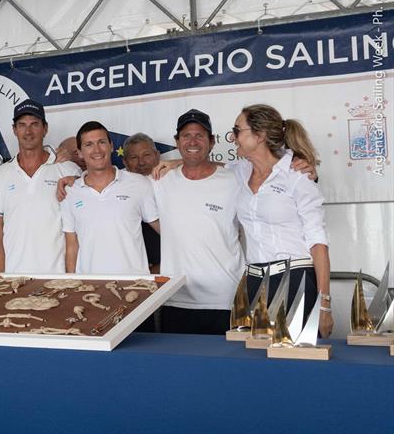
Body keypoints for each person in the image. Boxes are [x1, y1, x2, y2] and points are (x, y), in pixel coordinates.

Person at [230, 104, 333, 337]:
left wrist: (324, 304)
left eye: (237, 131)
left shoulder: (298, 175)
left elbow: (318, 243)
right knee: (258, 365)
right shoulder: (240, 170)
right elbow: (209, 168)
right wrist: (173, 163)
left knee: (297, 364)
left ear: (260, 136)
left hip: (295, 280)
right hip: (255, 282)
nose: (232, 137)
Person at [152, 109, 244, 335]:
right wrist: (75, 179)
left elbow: (268, 169)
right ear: (177, 142)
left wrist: (304, 166)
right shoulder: (159, 181)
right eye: (186, 136)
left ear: (212, 142)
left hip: (226, 299)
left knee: (228, 370)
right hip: (175, 300)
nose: (192, 141)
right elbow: (114, 181)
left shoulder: (235, 180)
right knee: (179, 370)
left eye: (200, 135)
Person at [0, 99, 82, 273]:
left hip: (58, 278)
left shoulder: (68, 170)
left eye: (34, 124)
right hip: (15, 280)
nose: (28, 131)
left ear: (45, 128)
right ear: (14, 130)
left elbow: (80, 229)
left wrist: (71, 277)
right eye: (22, 125)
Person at [61, 122, 159, 275]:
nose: (97, 150)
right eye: (89, 144)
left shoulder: (140, 183)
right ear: (79, 152)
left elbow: (165, 230)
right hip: (89, 287)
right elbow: (72, 246)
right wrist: (71, 283)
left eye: (101, 142)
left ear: (111, 146)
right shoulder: (70, 192)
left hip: (135, 286)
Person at [123, 133, 162, 273]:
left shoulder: (175, 181)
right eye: (134, 157)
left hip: (173, 263)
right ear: (125, 162)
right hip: (134, 271)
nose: (141, 162)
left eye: (146, 155)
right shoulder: (117, 188)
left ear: (157, 155)